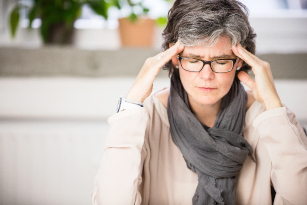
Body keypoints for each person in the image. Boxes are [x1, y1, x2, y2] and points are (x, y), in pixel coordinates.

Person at [92, 0, 307, 204]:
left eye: (221, 61)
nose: (206, 75)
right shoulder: (144, 116)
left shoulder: (271, 117)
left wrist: (272, 106)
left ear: (240, 60)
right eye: (194, 60)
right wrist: (132, 101)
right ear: (174, 57)